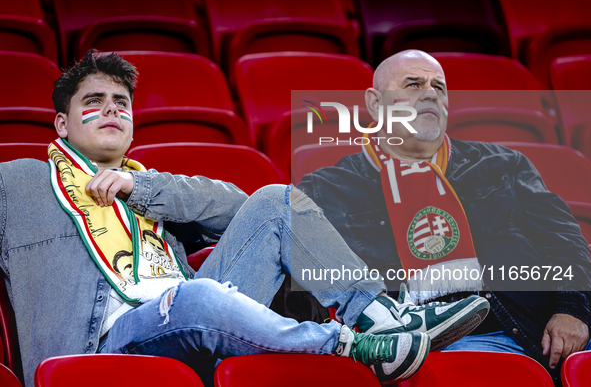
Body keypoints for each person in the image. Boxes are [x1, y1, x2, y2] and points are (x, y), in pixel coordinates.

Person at [0, 50, 489, 387]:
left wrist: (143, 188)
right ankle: (350, 346)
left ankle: (382, 319)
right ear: (62, 124)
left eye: (121, 103)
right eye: (93, 103)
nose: (111, 110)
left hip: (193, 315)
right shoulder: (19, 183)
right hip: (103, 342)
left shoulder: (150, 187)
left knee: (279, 198)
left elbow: (243, 207)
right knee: (199, 296)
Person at [297, 49, 591, 385]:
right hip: (448, 347)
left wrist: (573, 310)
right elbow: (308, 288)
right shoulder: (327, 189)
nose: (430, 95)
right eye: (413, 84)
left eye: (439, 87)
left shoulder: (502, 164)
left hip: (548, 323)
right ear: (376, 104)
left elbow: (564, 239)